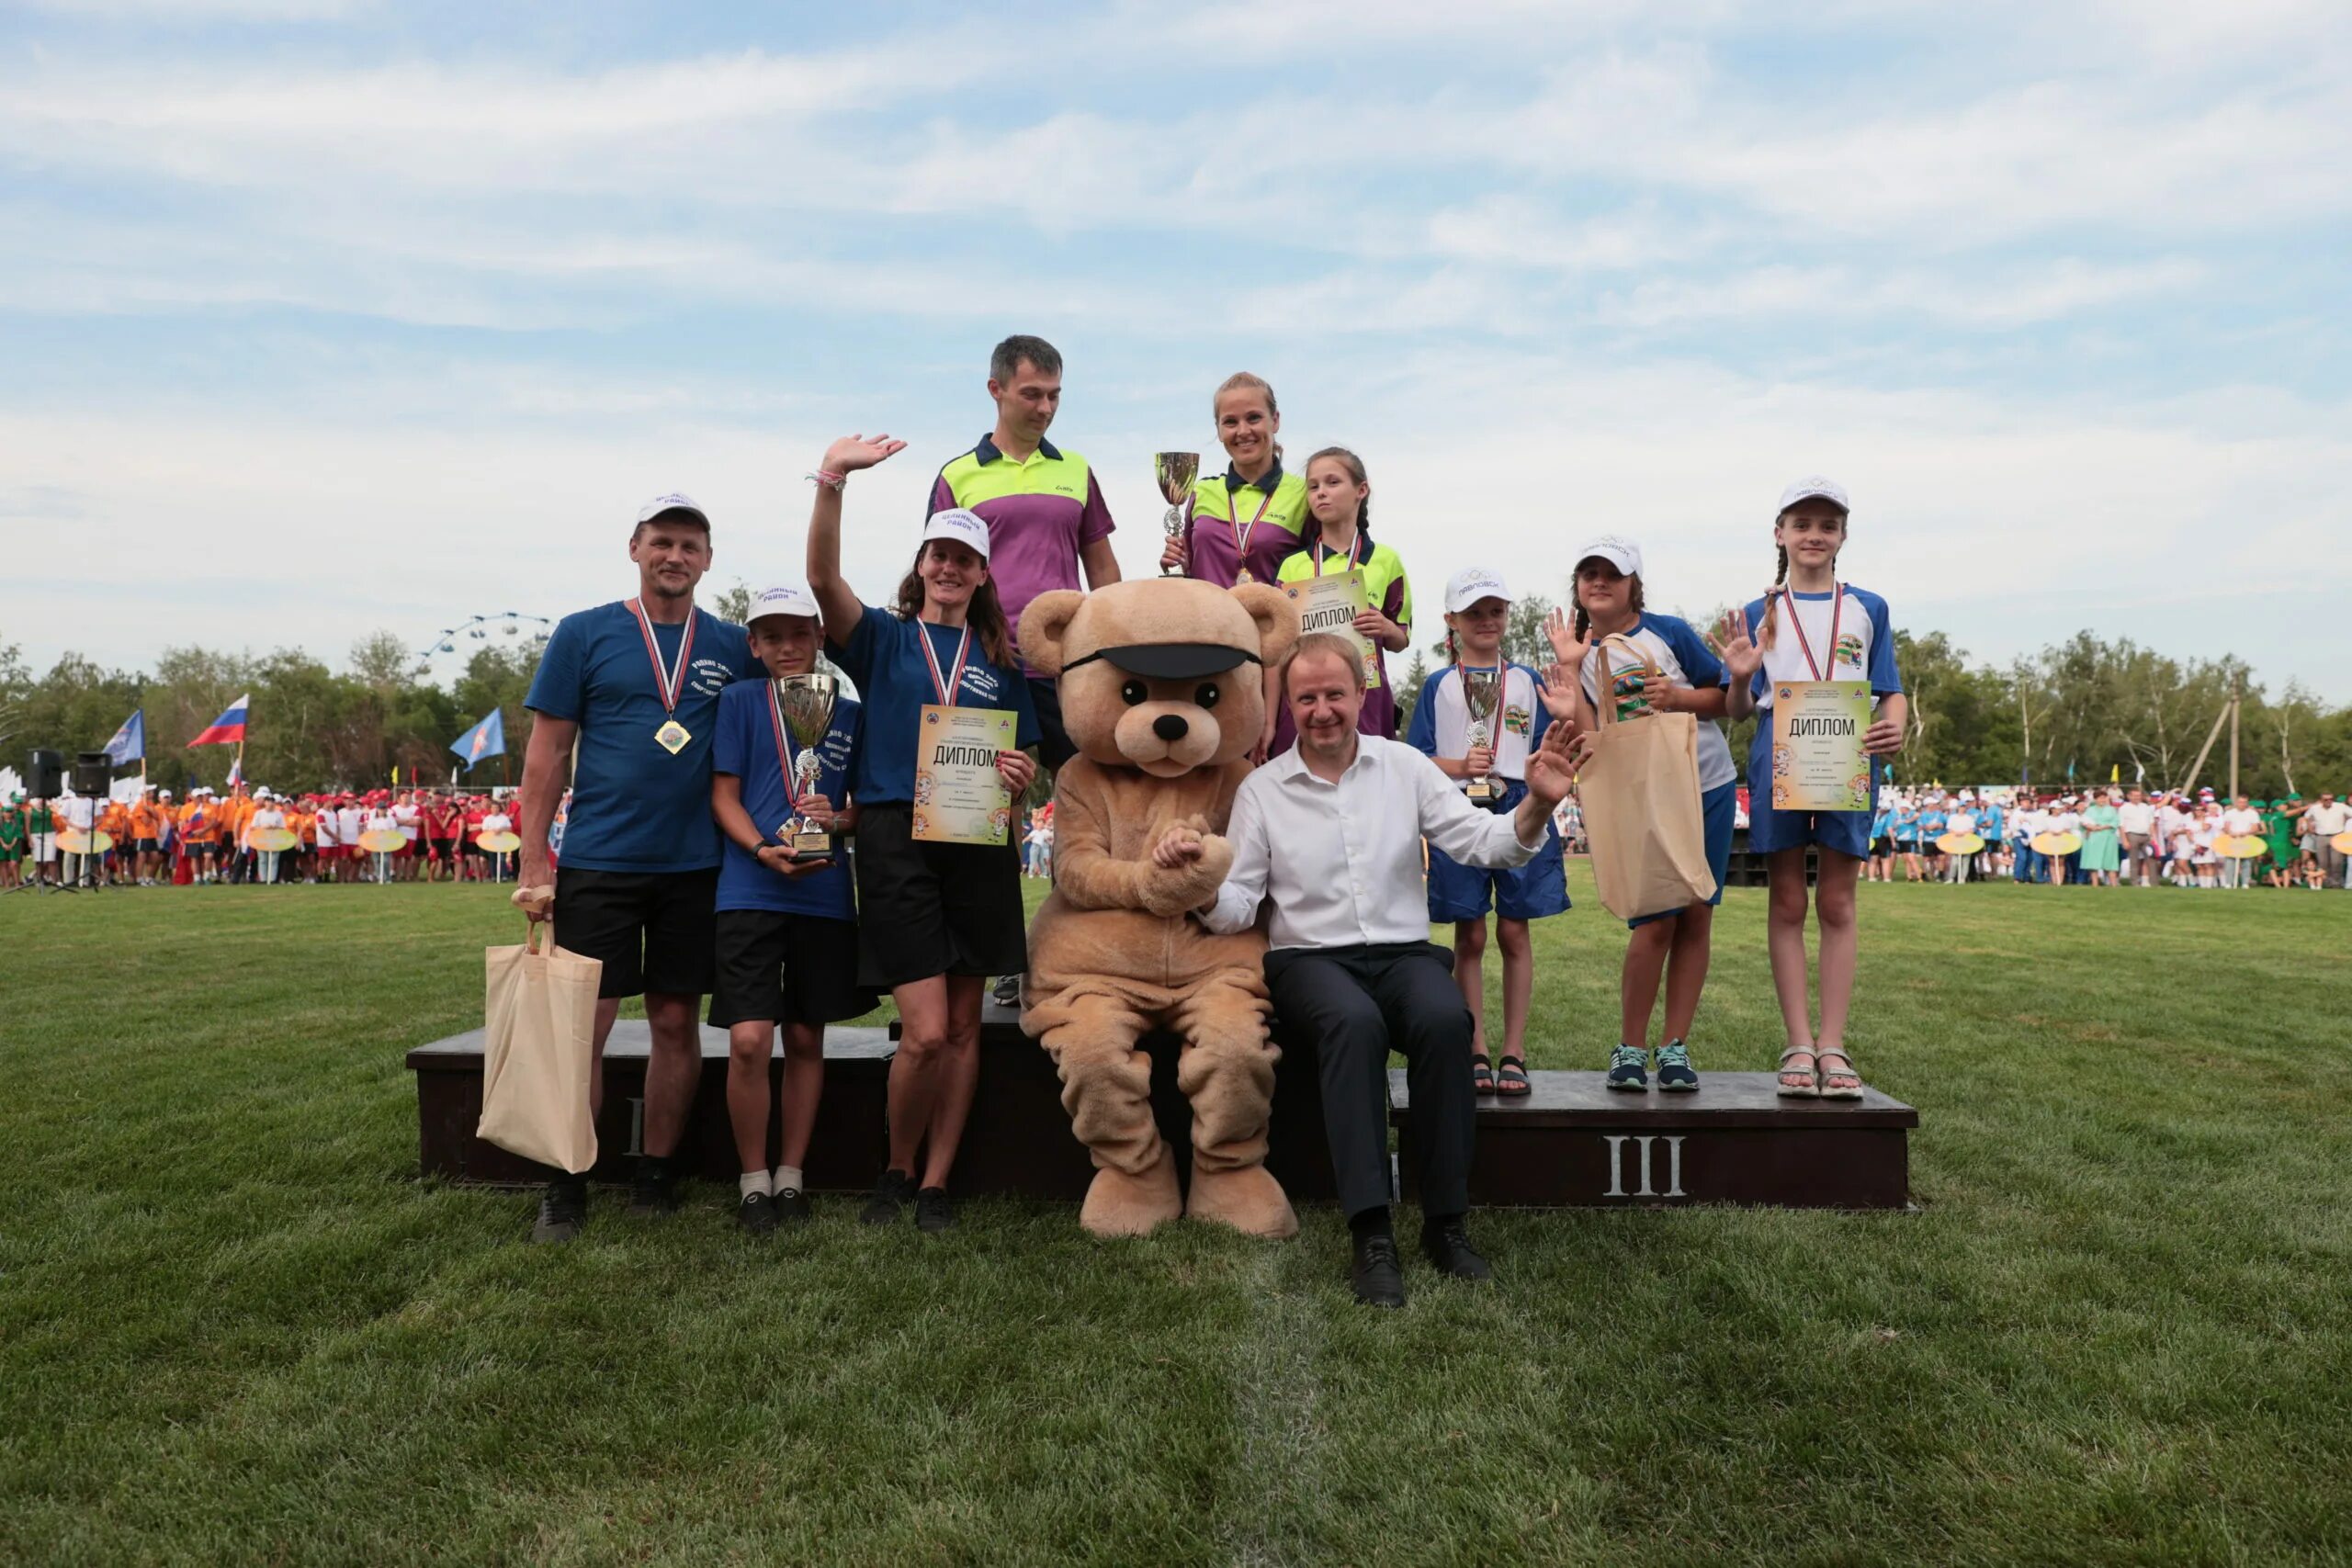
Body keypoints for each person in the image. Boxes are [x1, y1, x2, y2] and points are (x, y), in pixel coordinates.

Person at [1193, 631, 1580, 1306]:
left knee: (1442, 1018)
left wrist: (1537, 804)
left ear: (1361, 694)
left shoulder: (1405, 767)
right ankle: (1371, 1232)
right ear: (1289, 706)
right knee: (1354, 1023)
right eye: (1306, 697)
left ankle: (1446, 1221)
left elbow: (1484, 841)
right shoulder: (1262, 791)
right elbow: (1237, 904)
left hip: (1402, 952)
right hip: (1308, 959)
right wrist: (1198, 885)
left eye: (1334, 694)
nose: (1321, 710)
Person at [515, 491, 763, 1244]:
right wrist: (535, 860)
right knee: (582, 1028)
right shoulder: (584, 633)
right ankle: (567, 1181)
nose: (675, 556)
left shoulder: (730, 644)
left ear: (709, 559)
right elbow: (547, 753)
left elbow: (765, 743)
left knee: (674, 1022)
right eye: (662, 541)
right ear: (634, 547)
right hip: (599, 862)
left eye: (690, 544)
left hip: (695, 866)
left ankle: (657, 1171)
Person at [808, 434, 1040, 1233]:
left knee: (968, 1026)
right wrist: (833, 480)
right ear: (921, 566)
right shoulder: (880, 638)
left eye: (962, 559)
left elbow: (1027, 756)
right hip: (895, 836)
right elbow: (820, 579)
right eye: (937, 555)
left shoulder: (1001, 662)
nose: (948, 568)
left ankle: (939, 1180)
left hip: (977, 841)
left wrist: (1019, 774)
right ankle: (897, 1164)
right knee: (927, 1031)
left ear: (980, 575)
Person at [1716, 477, 1905, 1100]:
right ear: (1780, 533)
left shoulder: (1868, 607)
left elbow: (1890, 688)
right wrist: (1741, 678)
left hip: (1849, 747)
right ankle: (1798, 1040)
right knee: (1789, 901)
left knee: (1840, 903)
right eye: (1802, 524)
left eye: (1827, 525)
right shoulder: (1756, 611)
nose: (1814, 535)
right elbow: (1740, 708)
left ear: (1843, 535)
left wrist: (1896, 726)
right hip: (1782, 749)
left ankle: (1833, 1042)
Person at [707, 584, 876, 1234]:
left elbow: (862, 805)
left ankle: (792, 1175)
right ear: (753, 644)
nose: (785, 647)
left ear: (819, 638)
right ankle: (753, 1179)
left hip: (825, 892)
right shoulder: (739, 701)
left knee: (806, 1035)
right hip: (749, 889)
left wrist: (839, 816)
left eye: (798, 634)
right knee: (749, 1039)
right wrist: (759, 849)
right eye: (771, 636)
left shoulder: (849, 712)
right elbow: (724, 795)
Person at [1546, 536, 1737, 1095]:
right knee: (1656, 918)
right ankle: (1630, 1048)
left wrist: (1677, 698)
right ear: (1578, 587)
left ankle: (1674, 1047)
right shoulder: (1578, 653)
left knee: (1697, 913)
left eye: (1612, 573)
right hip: (1644, 795)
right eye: (1589, 574)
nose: (1599, 582)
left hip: (1707, 784)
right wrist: (1570, 671)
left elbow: (1726, 698)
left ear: (1635, 584)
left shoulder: (1668, 632)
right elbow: (1590, 737)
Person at [1407, 567, 1566, 1099]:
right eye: (1473, 612)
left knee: (1514, 932)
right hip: (1461, 810)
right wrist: (1459, 763)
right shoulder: (1439, 685)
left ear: (1507, 615)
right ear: (1451, 620)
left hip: (1522, 805)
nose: (1486, 621)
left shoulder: (1526, 681)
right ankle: (1475, 1046)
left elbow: (1547, 747)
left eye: (1495, 611)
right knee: (1470, 933)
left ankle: (1513, 1051)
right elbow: (1419, 759)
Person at [928, 334, 1118, 771]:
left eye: (1054, 396)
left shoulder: (1076, 468)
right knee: (988, 793)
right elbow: (937, 574)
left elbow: (1102, 564)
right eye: (1032, 394)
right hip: (983, 657)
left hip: (1065, 659)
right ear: (996, 389)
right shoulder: (957, 474)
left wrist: (1116, 640)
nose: (1045, 409)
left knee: (1085, 781)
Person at [1269, 447, 1412, 754]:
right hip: (1306, 696)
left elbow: (1401, 639)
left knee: (1370, 781)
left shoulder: (1385, 560)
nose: (1321, 493)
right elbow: (1276, 642)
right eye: (1314, 486)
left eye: (1333, 483)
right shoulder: (1292, 566)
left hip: (1366, 695)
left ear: (1361, 490)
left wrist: (1386, 627)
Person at [1164, 372, 1313, 592]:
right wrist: (1180, 565)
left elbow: (1325, 569)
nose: (1243, 431)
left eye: (1253, 418)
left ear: (1275, 420)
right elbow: (1191, 574)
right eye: (1231, 422)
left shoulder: (1304, 493)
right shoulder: (1202, 491)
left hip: (1274, 625)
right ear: (1219, 430)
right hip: (1209, 624)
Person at [2296, 791, 2347, 888]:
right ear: (2321, 800)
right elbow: (2306, 817)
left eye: (2331, 799)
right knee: (2323, 861)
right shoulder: (2315, 808)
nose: (2329, 801)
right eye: (2326, 799)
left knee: (2336, 861)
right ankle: (2325, 882)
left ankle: (2336, 883)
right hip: (2321, 836)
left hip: (2336, 836)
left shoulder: (2340, 807)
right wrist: (2309, 827)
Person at [2218, 795, 2262, 889]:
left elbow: (2256, 827)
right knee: (2230, 862)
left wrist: (2246, 833)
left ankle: (2245, 883)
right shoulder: (2229, 813)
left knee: (2246, 862)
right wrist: (2231, 833)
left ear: (2247, 803)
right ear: (2236, 803)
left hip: (2246, 839)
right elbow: (2226, 826)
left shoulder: (2252, 813)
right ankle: (2229, 883)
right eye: (2240, 802)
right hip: (2232, 839)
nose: (2242, 804)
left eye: (2244, 802)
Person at [2081, 790, 2122, 887]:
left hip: (2108, 836)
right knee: (2093, 861)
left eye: (2104, 798)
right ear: (2095, 799)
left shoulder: (2111, 809)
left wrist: (2102, 827)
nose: (2102, 800)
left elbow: (2115, 822)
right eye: (2100, 798)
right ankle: (2095, 884)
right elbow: (2084, 822)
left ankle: (2113, 884)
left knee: (2110, 860)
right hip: (2093, 837)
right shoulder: (2090, 810)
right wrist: (2091, 827)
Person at [2117, 787, 2156, 887]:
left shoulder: (2146, 807)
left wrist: (2153, 837)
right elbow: (2121, 825)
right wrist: (2124, 840)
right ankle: (2134, 882)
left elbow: (2151, 823)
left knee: (2151, 859)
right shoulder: (2124, 808)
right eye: (2134, 795)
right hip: (2132, 835)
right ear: (2129, 796)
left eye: (2138, 796)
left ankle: (2153, 882)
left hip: (2146, 835)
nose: (2137, 798)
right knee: (2134, 860)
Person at [0, 794, 24, 890]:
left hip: (14, 845)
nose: (9, 814)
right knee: (3, 863)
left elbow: (17, 834)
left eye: (10, 812)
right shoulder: (1, 823)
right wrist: (4, 844)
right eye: (7, 812)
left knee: (14, 863)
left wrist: (11, 845)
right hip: (2, 845)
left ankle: (16, 882)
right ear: (2, 813)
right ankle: (6, 883)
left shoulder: (16, 822)